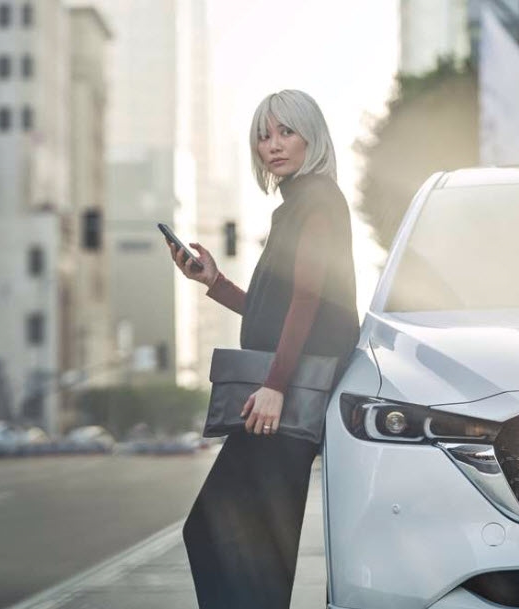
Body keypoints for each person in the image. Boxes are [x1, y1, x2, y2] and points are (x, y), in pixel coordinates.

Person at [168, 89, 360, 608]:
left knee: (218, 533)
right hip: (280, 389)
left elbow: (307, 298)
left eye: (285, 133)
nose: (272, 145)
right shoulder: (298, 204)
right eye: (262, 135)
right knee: (242, 542)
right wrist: (214, 281)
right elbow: (273, 309)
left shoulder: (317, 200)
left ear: (311, 137)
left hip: (285, 394)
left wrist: (274, 386)